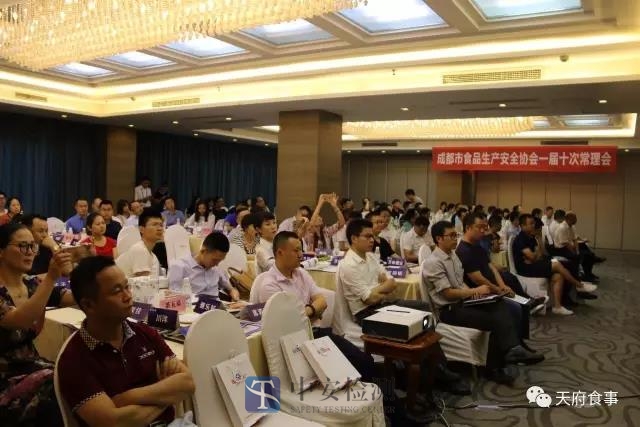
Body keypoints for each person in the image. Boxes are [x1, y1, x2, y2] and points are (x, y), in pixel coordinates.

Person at [59, 257, 195, 427]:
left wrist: (128, 397)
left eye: (127, 287)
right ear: (88, 305)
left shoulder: (144, 333)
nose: (128, 296)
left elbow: (188, 383)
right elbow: (114, 422)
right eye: (117, 291)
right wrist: (167, 394)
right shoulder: (74, 359)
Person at [423, 221, 541, 385]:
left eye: (456, 235)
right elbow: (448, 294)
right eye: (451, 236)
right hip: (448, 311)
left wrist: (475, 295)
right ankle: (494, 368)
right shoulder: (433, 262)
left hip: (462, 302)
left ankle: (513, 349)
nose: (455, 239)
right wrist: (474, 291)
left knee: (498, 303)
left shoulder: (453, 256)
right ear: (439, 239)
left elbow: (459, 284)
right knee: (492, 320)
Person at [251, 231, 376, 381]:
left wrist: (308, 310)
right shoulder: (269, 285)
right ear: (280, 253)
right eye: (296, 250)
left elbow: (322, 301)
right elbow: (288, 323)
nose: (301, 255)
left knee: (364, 360)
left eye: (301, 250)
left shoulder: (301, 274)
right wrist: (313, 311)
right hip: (296, 344)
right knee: (360, 364)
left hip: (315, 332)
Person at [0, 223, 74, 427]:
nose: (30, 252)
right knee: (55, 389)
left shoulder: (31, 284)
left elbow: (76, 297)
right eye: (22, 246)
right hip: (5, 378)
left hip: (32, 367)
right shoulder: (39, 284)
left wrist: (73, 272)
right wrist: (51, 277)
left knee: (78, 374)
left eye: (33, 246)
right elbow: (19, 321)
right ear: (1, 251)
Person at [455, 212, 546, 348]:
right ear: (468, 228)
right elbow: (478, 279)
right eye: (479, 227)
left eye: (485, 227)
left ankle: (519, 343)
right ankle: (514, 346)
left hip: (492, 289)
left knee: (522, 303)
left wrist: (503, 286)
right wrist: (498, 290)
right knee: (515, 307)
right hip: (480, 294)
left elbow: (491, 267)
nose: (483, 231)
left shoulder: (477, 246)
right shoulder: (464, 250)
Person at [513, 214, 597, 315]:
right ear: (523, 226)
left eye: (533, 223)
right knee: (557, 265)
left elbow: (539, 255)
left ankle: (557, 307)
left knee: (558, 275)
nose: (533, 225)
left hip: (533, 264)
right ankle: (579, 285)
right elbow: (533, 257)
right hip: (525, 268)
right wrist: (534, 255)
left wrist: (536, 250)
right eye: (530, 224)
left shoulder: (531, 237)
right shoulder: (520, 239)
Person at [168, 232, 239, 301]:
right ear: (203, 251)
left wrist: (234, 294)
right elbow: (173, 297)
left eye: (220, 260)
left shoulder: (216, 268)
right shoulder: (179, 267)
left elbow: (230, 288)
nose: (217, 264)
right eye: (215, 260)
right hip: (193, 306)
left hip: (217, 306)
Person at [115, 210, 163, 277]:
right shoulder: (140, 250)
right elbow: (144, 282)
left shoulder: (153, 256)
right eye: (154, 224)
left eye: (161, 225)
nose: (160, 228)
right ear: (141, 229)